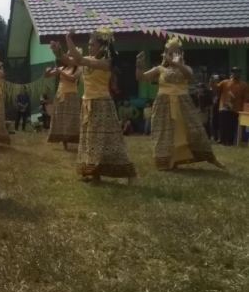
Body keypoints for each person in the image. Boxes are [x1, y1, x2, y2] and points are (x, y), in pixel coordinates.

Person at [54, 27, 137, 185]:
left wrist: (68, 40)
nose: (89, 47)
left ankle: (130, 175)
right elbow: (70, 60)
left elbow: (80, 60)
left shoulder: (105, 63)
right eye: (89, 44)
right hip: (87, 103)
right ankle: (94, 174)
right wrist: (58, 52)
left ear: (103, 47)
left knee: (111, 142)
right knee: (91, 141)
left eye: (92, 44)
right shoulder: (89, 59)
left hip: (102, 104)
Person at [136, 37, 224, 171]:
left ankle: (205, 156)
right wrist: (139, 65)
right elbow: (141, 78)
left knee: (188, 130)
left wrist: (178, 64)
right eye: (170, 52)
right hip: (164, 103)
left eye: (176, 53)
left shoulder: (185, 68)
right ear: (165, 54)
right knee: (165, 133)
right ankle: (167, 161)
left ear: (181, 54)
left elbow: (189, 76)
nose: (173, 55)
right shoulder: (159, 69)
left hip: (183, 102)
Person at [44, 51, 81, 149]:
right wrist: (47, 71)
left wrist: (60, 72)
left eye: (70, 56)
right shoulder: (61, 68)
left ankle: (74, 139)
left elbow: (72, 78)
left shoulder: (78, 69)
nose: (68, 58)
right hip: (60, 95)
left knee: (71, 119)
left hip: (71, 96)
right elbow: (47, 75)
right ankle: (64, 142)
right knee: (61, 119)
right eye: (67, 56)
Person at [211, 67, 249, 146]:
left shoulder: (244, 85)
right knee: (223, 125)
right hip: (224, 107)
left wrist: (244, 109)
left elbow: (246, 98)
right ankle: (222, 141)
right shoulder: (225, 82)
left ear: (240, 73)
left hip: (235, 109)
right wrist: (212, 81)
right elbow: (216, 88)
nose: (235, 73)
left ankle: (230, 142)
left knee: (231, 126)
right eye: (234, 72)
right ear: (231, 73)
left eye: (237, 72)